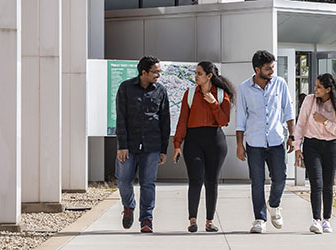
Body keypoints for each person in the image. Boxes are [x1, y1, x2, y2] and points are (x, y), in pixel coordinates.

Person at [235, 50, 295, 233]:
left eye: (273, 67)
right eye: (268, 68)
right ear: (257, 69)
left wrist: (292, 136)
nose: (272, 71)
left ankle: (274, 204)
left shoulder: (280, 84)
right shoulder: (244, 88)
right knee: (257, 182)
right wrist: (239, 145)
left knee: (280, 179)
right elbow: (240, 118)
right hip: (254, 142)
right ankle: (259, 219)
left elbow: (288, 110)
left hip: (277, 140)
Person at [173, 61, 234, 233]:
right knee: (195, 180)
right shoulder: (190, 94)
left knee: (211, 181)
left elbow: (224, 121)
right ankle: (192, 220)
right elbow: (182, 121)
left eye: (199, 73)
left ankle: (209, 221)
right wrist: (177, 144)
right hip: (193, 141)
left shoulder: (222, 95)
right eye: (195, 73)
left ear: (209, 76)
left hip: (215, 141)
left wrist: (214, 103)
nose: (196, 76)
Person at [115, 56, 170, 233]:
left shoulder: (161, 91)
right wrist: (122, 145)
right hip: (129, 145)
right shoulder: (126, 88)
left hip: (152, 146)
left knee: (148, 183)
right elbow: (121, 118)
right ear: (144, 72)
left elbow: (165, 122)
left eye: (159, 72)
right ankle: (128, 206)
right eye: (155, 72)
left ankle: (146, 220)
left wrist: (163, 149)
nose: (158, 75)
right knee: (124, 181)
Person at [293, 73, 336, 234]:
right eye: (315, 86)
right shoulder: (309, 100)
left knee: (327, 184)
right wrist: (297, 147)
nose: (315, 89)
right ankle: (316, 220)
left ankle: (327, 220)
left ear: (328, 89)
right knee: (316, 183)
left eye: (319, 87)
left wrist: (324, 121)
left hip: (331, 146)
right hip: (312, 145)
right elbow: (300, 124)